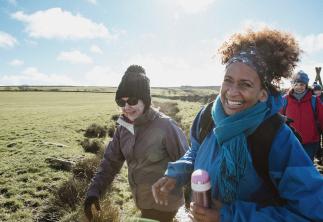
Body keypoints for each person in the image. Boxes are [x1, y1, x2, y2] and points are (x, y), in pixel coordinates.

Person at [152, 28, 323, 221]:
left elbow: (313, 213)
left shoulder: (277, 137)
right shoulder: (206, 116)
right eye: (228, 80)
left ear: (262, 94)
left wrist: (228, 216)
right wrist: (176, 174)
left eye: (245, 84)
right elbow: (196, 152)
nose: (232, 92)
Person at [84, 65, 188, 222]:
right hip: (142, 203)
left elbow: (188, 163)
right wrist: (94, 191)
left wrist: (196, 203)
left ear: (145, 101)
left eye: (132, 100)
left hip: (165, 205)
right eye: (121, 101)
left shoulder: (166, 126)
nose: (126, 107)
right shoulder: (123, 129)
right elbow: (110, 163)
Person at [281, 71, 323, 161]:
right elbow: (278, 118)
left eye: (302, 84)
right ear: (292, 84)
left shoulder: (314, 100)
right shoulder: (284, 99)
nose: (299, 87)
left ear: (306, 85)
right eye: (296, 84)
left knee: (306, 167)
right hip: (290, 141)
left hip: (310, 142)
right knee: (292, 166)